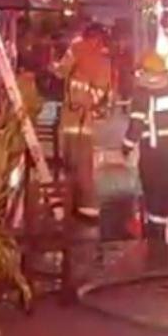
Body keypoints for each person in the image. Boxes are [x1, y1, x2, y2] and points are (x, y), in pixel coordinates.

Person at [122, 51, 168, 242]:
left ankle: (158, 246)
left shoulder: (142, 95)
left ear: (147, 73)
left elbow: (136, 126)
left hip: (154, 156)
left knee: (156, 200)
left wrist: (126, 147)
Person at [52, 21, 114, 224]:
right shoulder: (102, 60)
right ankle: (84, 206)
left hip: (72, 119)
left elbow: (60, 72)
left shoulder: (76, 49)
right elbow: (101, 92)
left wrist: (54, 66)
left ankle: (80, 206)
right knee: (82, 164)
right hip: (83, 121)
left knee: (73, 164)